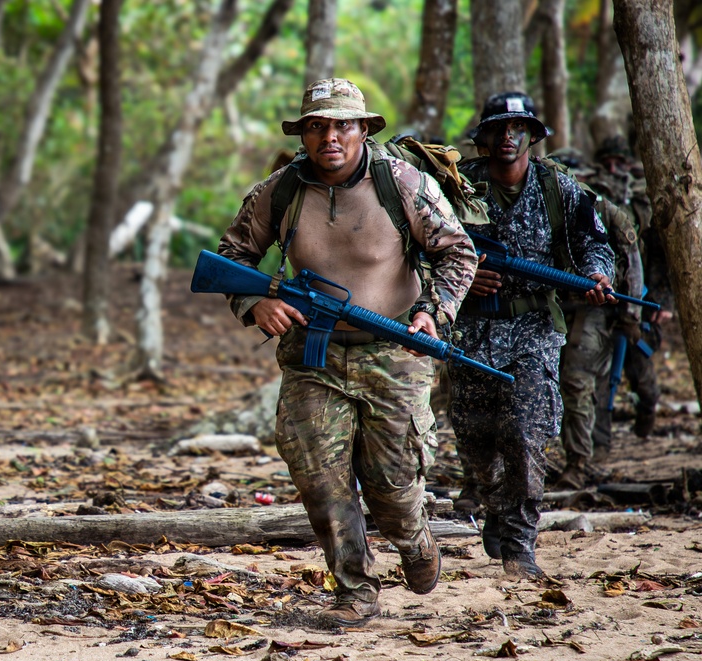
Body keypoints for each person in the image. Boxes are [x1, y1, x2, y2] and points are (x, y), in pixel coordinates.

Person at [217, 78, 477, 625]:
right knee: (321, 480)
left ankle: (413, 538)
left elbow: (458, 253)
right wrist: (254, 302)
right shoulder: (279, 190)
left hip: (395, 349)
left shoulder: (403, 183)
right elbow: (231, 256)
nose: (329, 137)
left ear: (363, 130)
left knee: (392, 487)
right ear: (303, 133)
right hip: (314, 359)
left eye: (342, 125)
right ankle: (354, 590)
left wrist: (435, 311)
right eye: (317, 126)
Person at [449, 92, 616, 580]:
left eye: (517, 128)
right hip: (472, 330)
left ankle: (520, 543)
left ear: (532, 136)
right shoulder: (458, 188)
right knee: (477, 442)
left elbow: (595, 243)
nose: (507, 138)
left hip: (535, 328)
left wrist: (596, 276)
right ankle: (496, 505)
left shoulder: (558, 188)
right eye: (498, 128)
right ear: (482, 138)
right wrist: (465, 276)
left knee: (525, 436)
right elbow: (423, 247)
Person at [548, 147, 644, 489]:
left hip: (595, 309)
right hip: (552, 306)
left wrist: (631, 315)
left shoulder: (605, 210)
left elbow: (632, 261)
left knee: (577, 381)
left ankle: (579, 462)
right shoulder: (545, 206)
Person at [590, 136, 673, 442]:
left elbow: (662, 255)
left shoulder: (645, 203)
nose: (613, 169)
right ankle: (599, 447)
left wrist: (662, 302)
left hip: (641, 300)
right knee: (597, 383)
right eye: (607, 163)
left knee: (643, 379)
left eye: (619, 163)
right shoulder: (591, 198)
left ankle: (646, 418)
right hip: (600, 300)